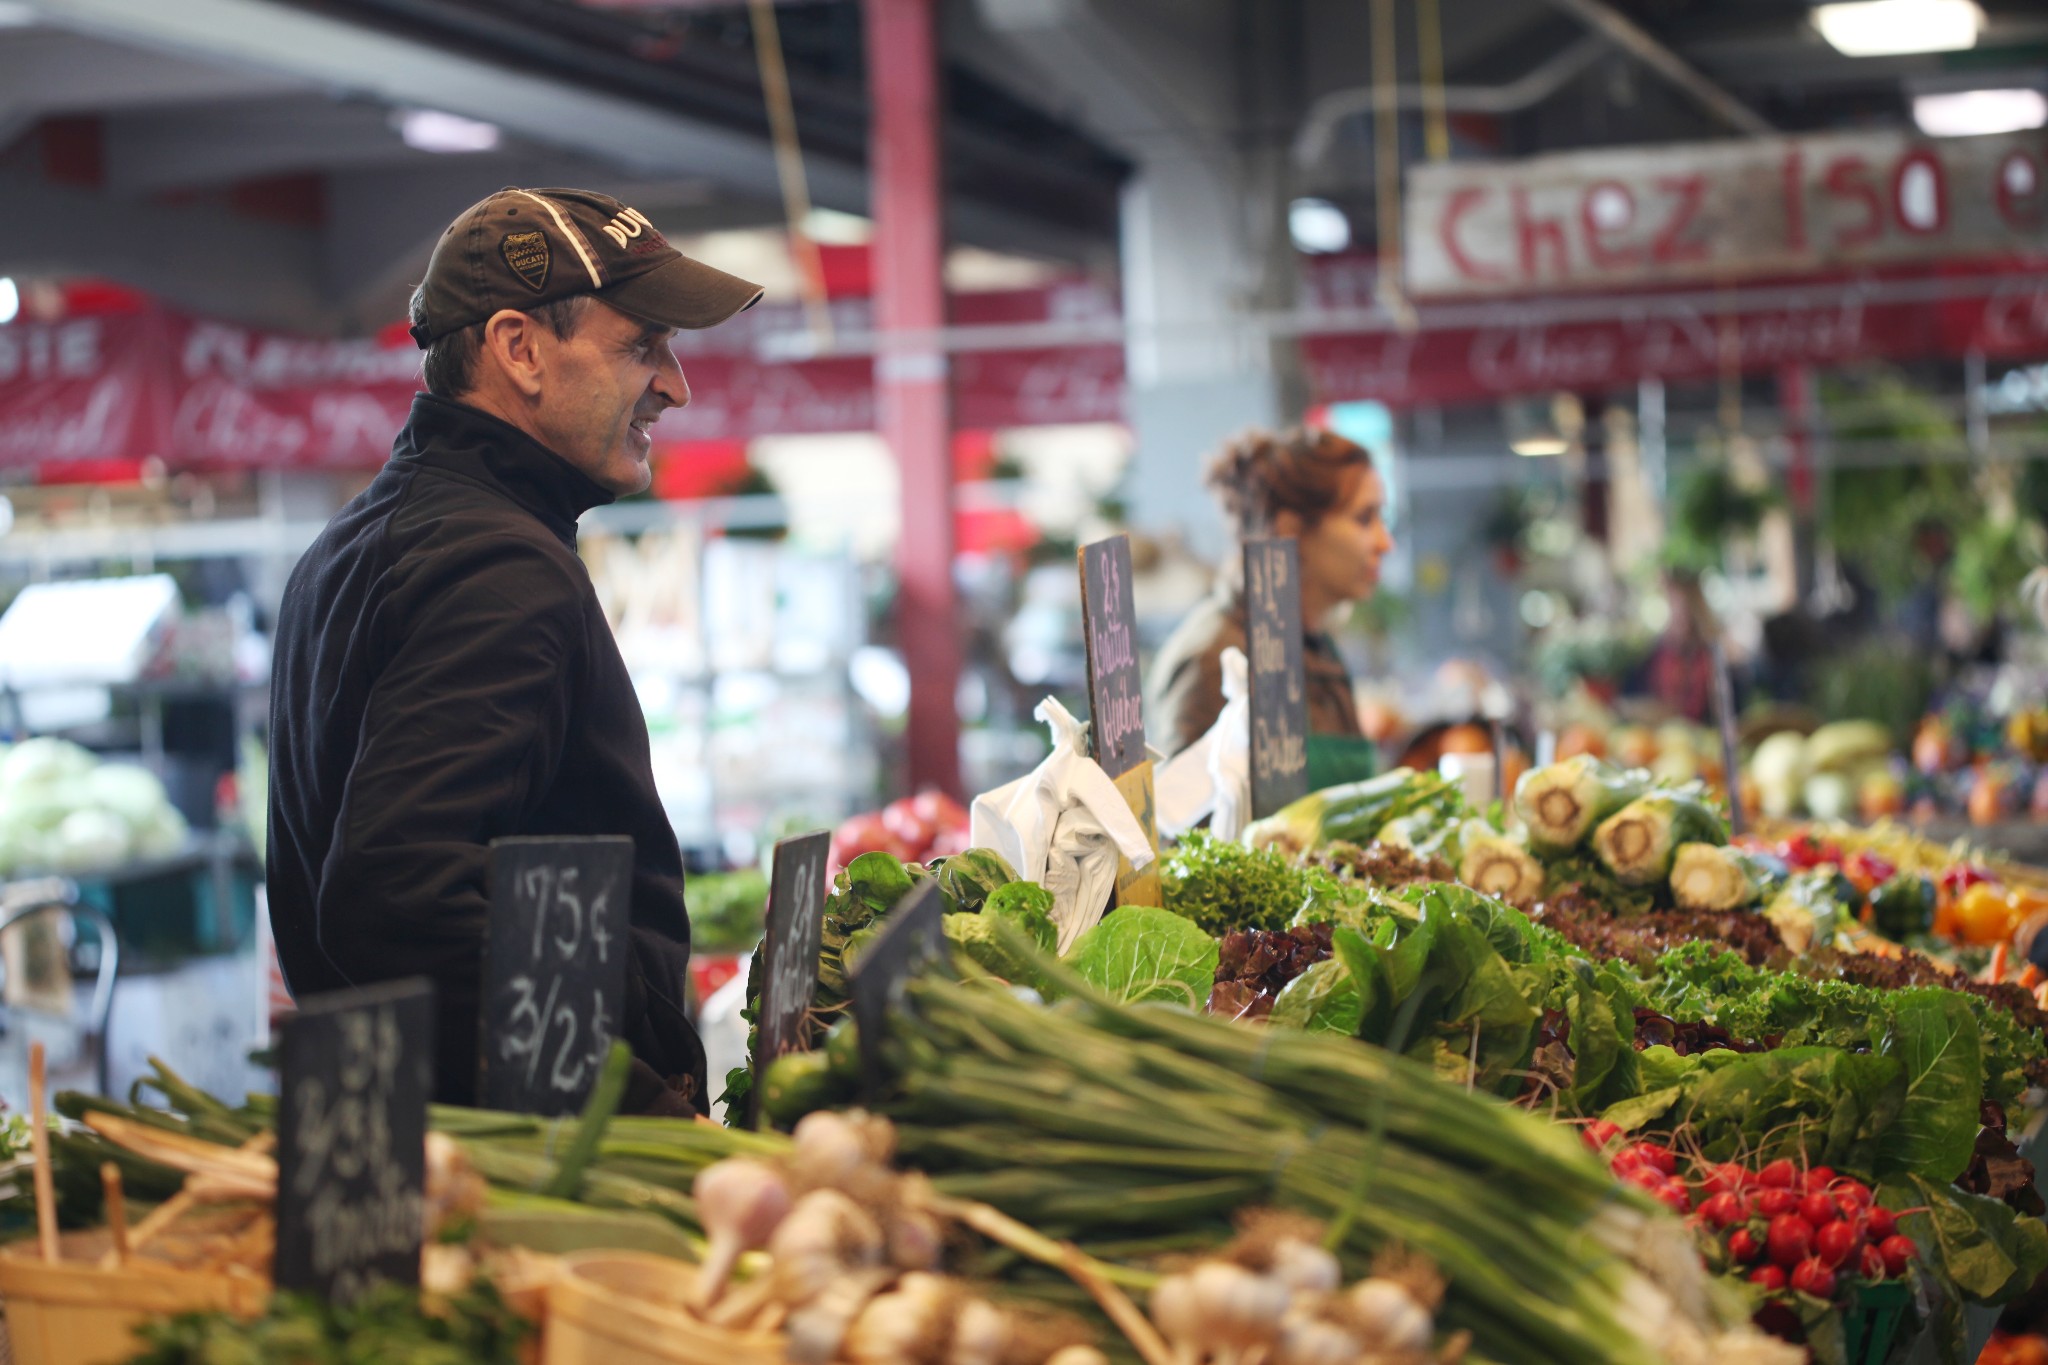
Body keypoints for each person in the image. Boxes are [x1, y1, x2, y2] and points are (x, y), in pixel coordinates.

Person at [267, 187, 764, 1115]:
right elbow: (398, 891)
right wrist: (629, 1108)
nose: (676, 383)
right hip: (533, 1157)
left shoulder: (360, 538)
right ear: (520, 349)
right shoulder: (498, 565)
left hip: (419, 1124)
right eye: (641, 345)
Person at [1149, 426, 1393, 759]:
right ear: (1290, 530)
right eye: (1364, 519)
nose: (1385, 542)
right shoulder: (1214, 660)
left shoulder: (1316, 647)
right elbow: (1183, 809)